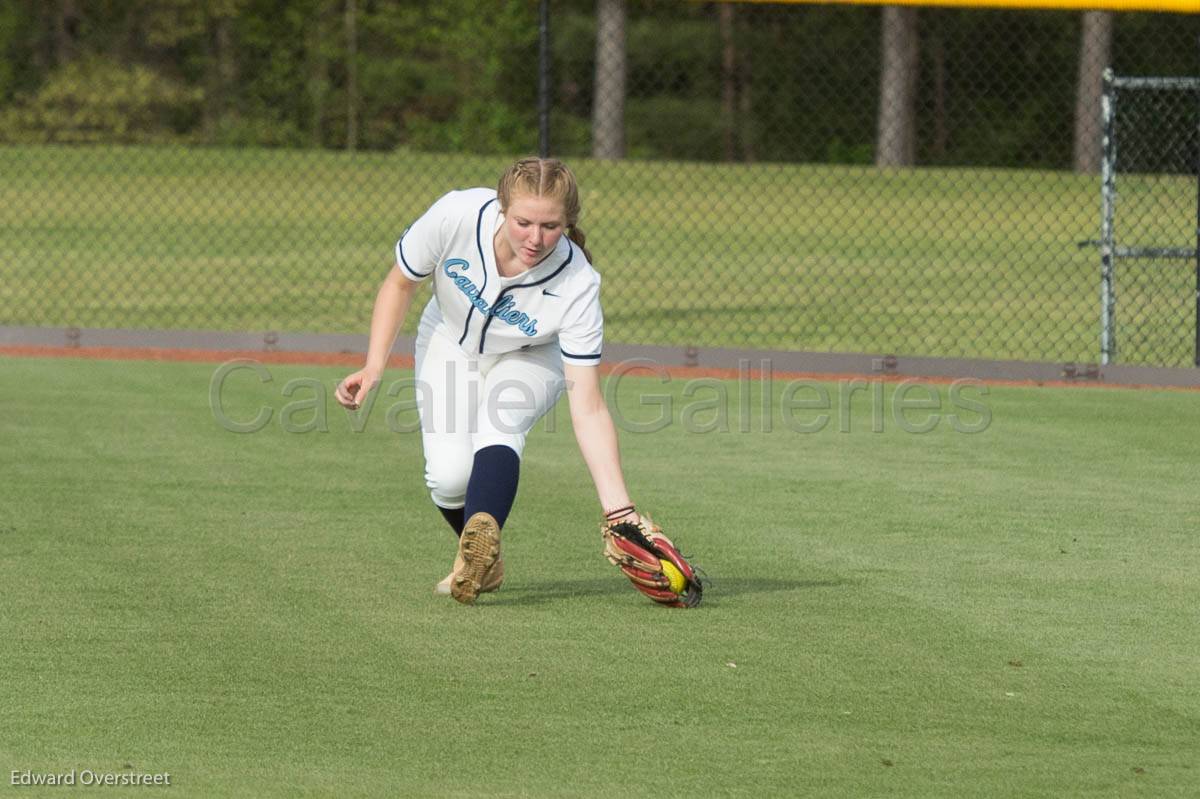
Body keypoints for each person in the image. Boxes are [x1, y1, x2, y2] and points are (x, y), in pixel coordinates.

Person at [335, 157, 644, 605]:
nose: (535, 238)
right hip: (448, 338)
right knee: (447, 478)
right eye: (523, 222)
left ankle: (480, 544)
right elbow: (400, 283)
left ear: (568, 223)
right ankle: (483, 556)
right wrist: (374, 365)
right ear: (502, 208)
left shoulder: (577, 283)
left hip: (533, 356)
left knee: (499, 422)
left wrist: (620, 509)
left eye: (551, 226)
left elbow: (589, 406)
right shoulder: (457, 215)